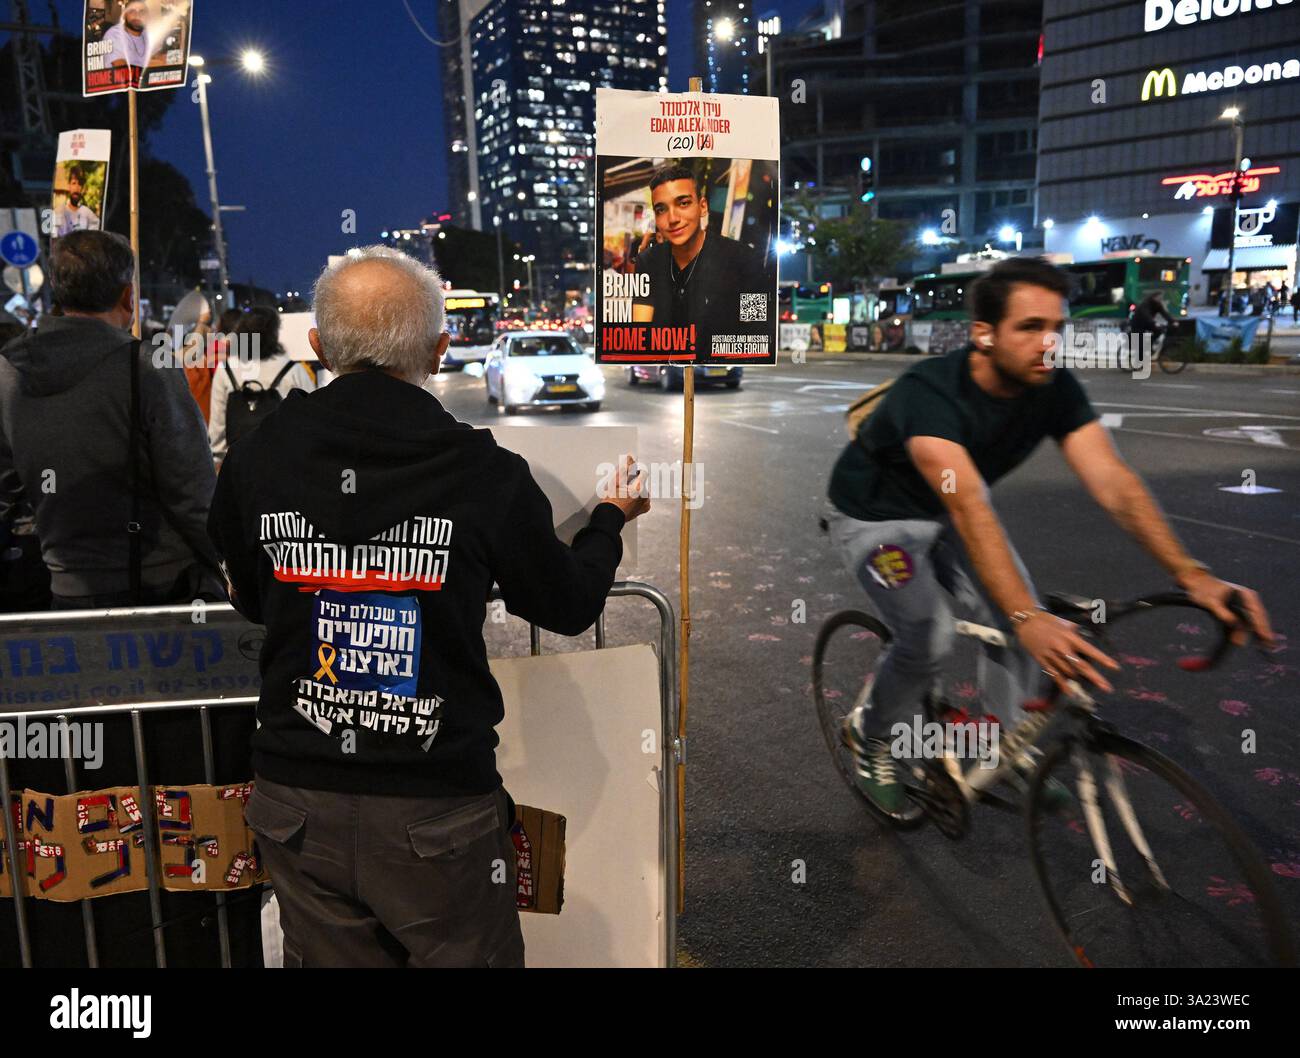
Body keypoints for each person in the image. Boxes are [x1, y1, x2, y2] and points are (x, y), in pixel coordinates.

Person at [209, 246, 650, 968]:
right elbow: (569, 604)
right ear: (441, 351)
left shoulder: (260, 455)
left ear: (318, 348)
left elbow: (250, 593)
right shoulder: (480, 470)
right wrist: (608, 520)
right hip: (435, 814)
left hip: (296, 803)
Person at [826, 256, 1274, 824]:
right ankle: (872, 735)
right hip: (877, 521)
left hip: (947, 514)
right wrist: (1024, 616)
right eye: (1030, 328)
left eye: (1057, 328)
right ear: (983, 335)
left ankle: (1000, 747)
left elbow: (1113, 482)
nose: (1049, 343)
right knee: (931, 632)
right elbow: (968, 503)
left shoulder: (1052, 388)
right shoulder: (930, 392)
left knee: (1026, 621)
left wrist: (1193, 575)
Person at [0, 229, 221, 609]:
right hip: (161, 587)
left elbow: (7, 490)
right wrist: (227, 564)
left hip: (64, 585)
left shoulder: (9, 370)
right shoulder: (149, 365)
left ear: (59, 291)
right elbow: (192, 494)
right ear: (127, 295)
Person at [631, 163, 774, 341]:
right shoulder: (649, 261)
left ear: (703, 206)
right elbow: (639, 333)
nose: (673, 219)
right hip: (667, 364)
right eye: (661, 209)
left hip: (720, 362)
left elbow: (756, 332)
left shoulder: (745, 259)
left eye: (683, 203)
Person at [208, 306, 314, 462]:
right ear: (274, 334)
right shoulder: (293, 370)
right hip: (283, 459)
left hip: (238, 462)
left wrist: (218, 457)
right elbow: (310, 418)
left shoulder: (225, 369)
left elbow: (217, 425)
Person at [103, 0, 152, 86]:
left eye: (142, 12)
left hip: (145, 91)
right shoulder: (114, 34)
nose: (137, 15)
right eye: (132, 11)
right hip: (119, 95)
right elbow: (123, 72)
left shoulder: (147, 34)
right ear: (124, 14)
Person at [54, 165, 101, 238]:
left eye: (80, 184)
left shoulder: (88, 214)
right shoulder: (58, 212)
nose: (76, 188)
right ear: (69, 185)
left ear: (83, 188)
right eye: (74, 183)